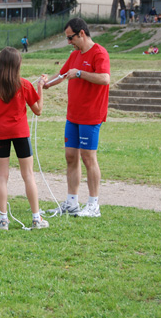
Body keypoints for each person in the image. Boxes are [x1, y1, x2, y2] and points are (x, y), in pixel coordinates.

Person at [0, 47, 49, 230]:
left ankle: (3, 219)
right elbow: (38, 110)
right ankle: (36, 218)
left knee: (2, 177)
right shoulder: (24, 84)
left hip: (0, 133)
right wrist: (40, 89)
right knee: (28, 175)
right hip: (20, 132)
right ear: (17, 64)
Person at [43, 17, 110, 218]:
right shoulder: (74, 55)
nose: (69, 42)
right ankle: (71, 202)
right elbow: (62, 75)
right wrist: (45, 84)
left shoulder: (99, 53)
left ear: (81, 33)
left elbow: (105, 78)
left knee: (88, 157)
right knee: (70, 156)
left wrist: (80, 73)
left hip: (91, 115)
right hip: (73, 115)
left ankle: (93, 205)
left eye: (70, 38)